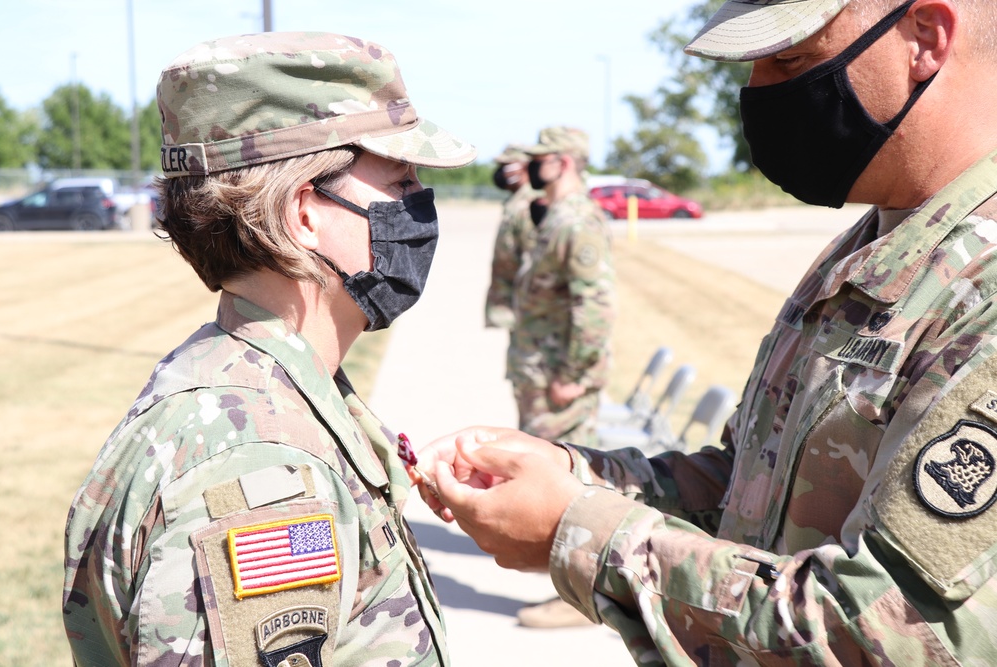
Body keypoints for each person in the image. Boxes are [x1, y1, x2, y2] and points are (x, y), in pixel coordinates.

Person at [413, 0, 997, 663]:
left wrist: (578, 531)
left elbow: (894, 631)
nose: (759, 95)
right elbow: (744, 485)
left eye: (792, 59)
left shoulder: (982, 288)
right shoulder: (870, 245)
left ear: (926, 37)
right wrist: (573, 474)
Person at [62, 32, 475, 667]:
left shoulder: (263, 382)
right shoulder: (258, 473)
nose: (420, 204)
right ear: (305, 213)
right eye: (401, 179)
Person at [508, 126, 615, 451]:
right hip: (540, 371)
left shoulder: (577, 222)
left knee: (561, 480)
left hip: (557, 379)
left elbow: (595, 306)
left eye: (540, 158)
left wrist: (572, 376)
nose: (533, 165)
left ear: (563, 163)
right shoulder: (557, 215)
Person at [485, 143, 540, 329]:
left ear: (523, 167)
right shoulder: (515, 202)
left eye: (506, 165)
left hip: (529, 309)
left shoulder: (529, 205)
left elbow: (534, 261)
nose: (501, 172)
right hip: (515, 305)